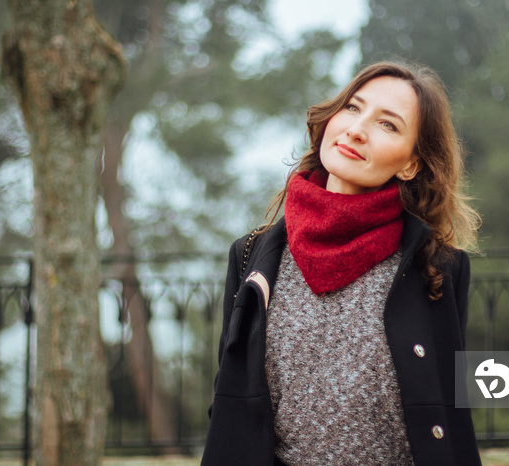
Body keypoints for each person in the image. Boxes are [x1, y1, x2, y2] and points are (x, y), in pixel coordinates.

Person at [201, 60, 482, 465]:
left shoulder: (438, 267)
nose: (356, 129)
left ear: (411, 164)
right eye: (352, 108)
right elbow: (231, 398)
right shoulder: (251, 256)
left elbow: (447, 410)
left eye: (388, 124)